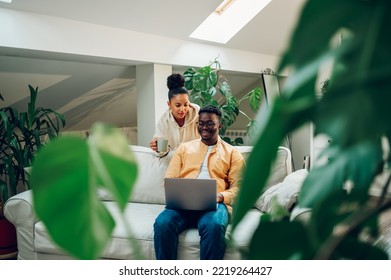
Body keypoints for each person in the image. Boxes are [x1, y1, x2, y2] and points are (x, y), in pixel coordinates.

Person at [153, 105, 245, 260]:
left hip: (214, 205)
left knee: (214, 226)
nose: (204, 127)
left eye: (210, 123)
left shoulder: (232, 153)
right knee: (162, 224)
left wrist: (221, 196)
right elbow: (170, 178)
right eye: (201, 123)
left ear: (219, 125)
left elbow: (241, 188)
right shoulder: (184, 148)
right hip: (183, 205)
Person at [149, 73, 200, 156]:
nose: (182, 109)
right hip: (175, 160)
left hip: (196, 158)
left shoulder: (198, 114)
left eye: (185, 104)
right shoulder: (164, 121)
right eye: (178, 105)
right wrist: (158, 148)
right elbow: (162, 152)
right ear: (169, 104)